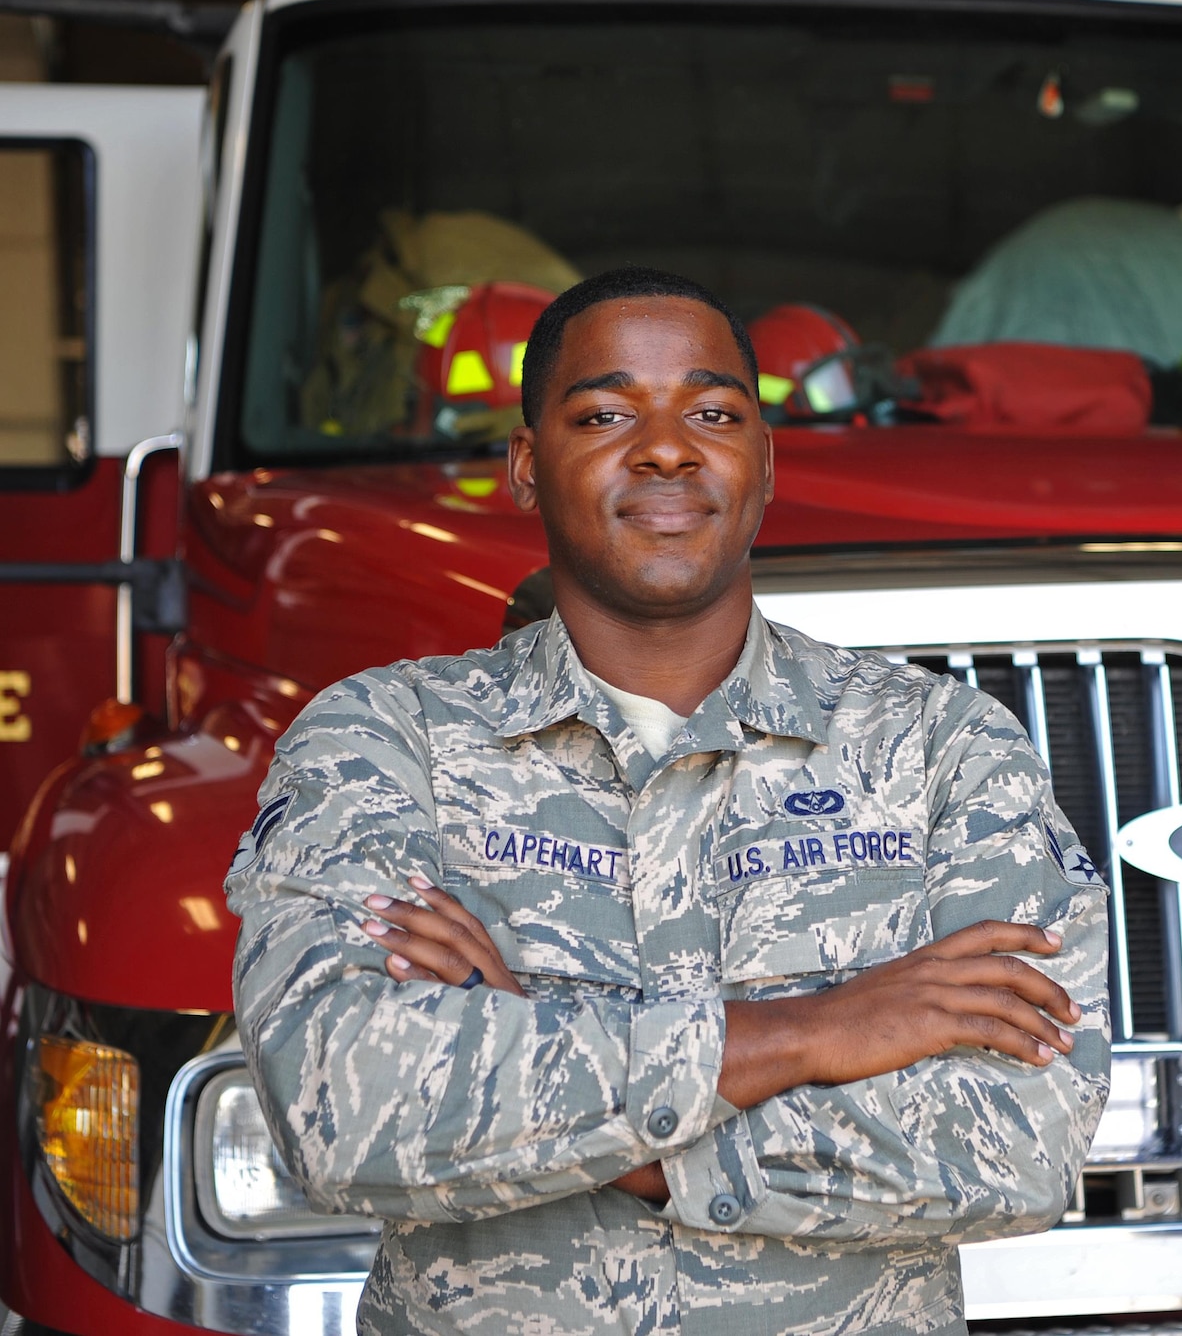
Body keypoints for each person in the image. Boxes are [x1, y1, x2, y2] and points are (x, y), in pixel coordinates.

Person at [226, 267, 1111, 1335]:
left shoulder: (939, 743)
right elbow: (344, 1105)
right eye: (604, 412)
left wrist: (573, 1089)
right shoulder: (386, 738)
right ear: (523, 465)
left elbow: (1024, 1138)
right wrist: (815, 1030)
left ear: (764, 462)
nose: (664, 446)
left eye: (711, 411)